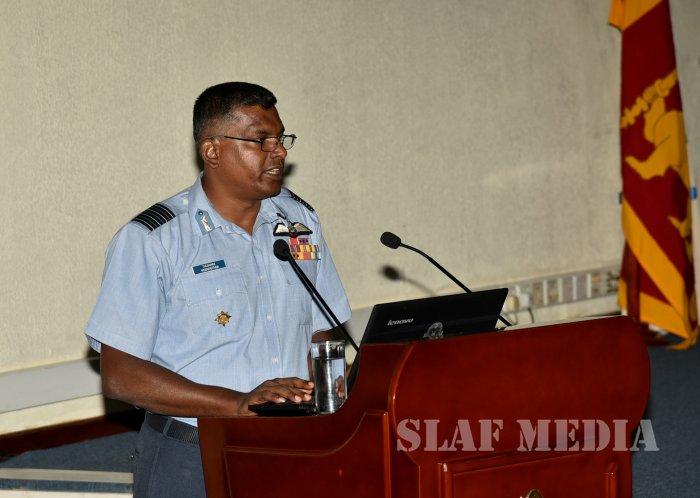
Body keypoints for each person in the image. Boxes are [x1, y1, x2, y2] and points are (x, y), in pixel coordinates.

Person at [85, 82, 351, 497]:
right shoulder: (154, 240)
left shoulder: (300, 223)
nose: (278, 152)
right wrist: (237, 403)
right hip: (192, 457)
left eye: (281, 139)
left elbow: (323, 327)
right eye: (261, 140)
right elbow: (122, 377)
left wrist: (325, 385)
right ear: (212, 150)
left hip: (295, 446)